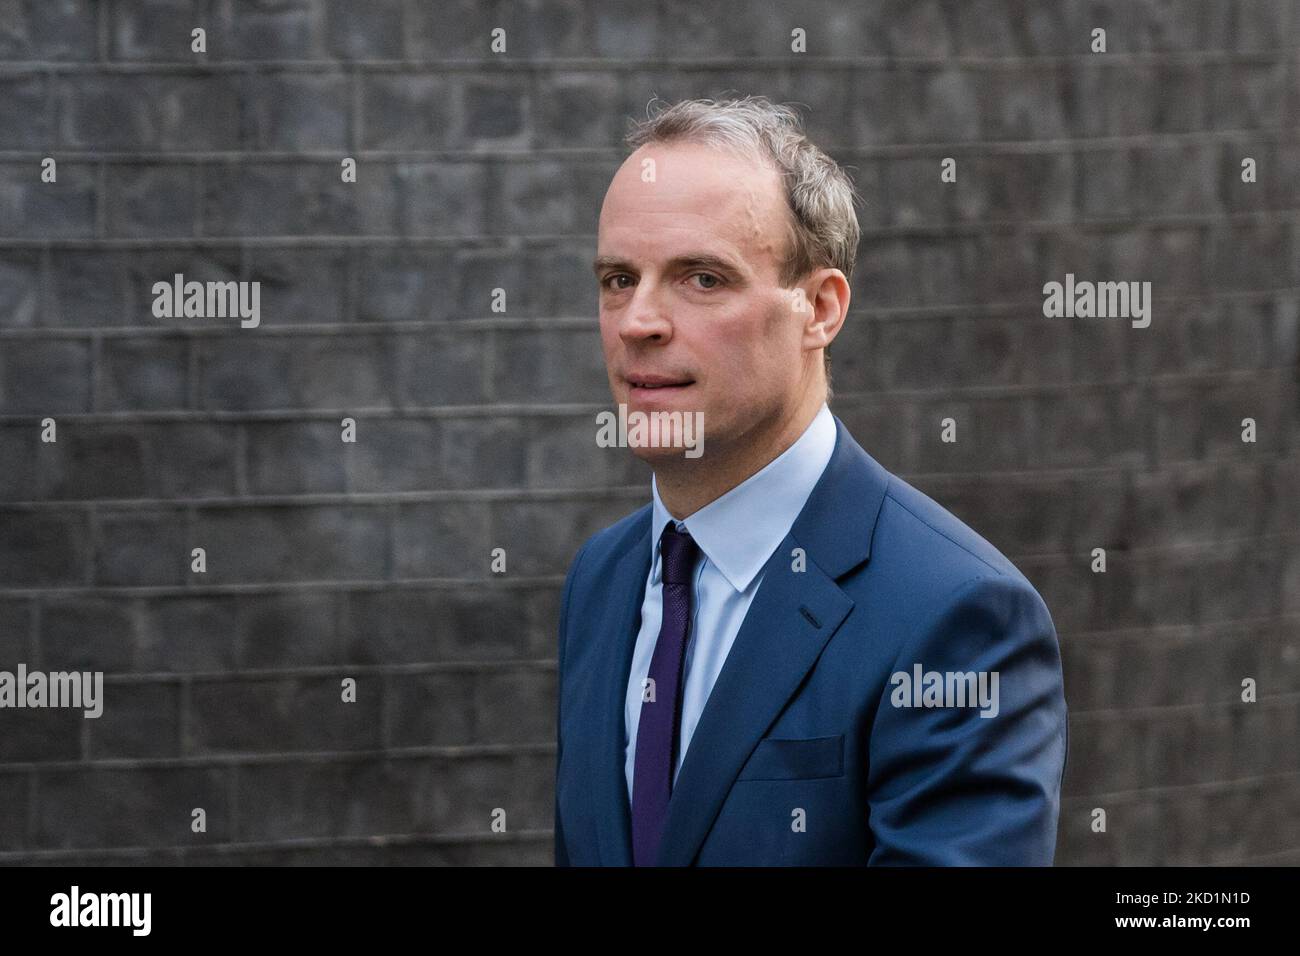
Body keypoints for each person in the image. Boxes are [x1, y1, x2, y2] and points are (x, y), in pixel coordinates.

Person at [554, 95, 1068, 866]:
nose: (637, 321)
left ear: (820, 308)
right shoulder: (603, 579)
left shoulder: (958, 618)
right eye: (619, 278)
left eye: (701, 278)